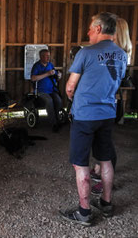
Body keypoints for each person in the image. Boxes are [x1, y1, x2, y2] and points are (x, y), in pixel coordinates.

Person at [60, 12, 127, 226]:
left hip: (85, 115)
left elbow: (70, 86)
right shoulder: (122, 55)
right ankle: (106, 204)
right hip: (107, 114)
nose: (88, 32)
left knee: (81, 164)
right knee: (105, 159)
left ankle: (84, 212)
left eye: (90, 28)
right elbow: (118, 81)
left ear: (98, 29)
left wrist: (73, 97)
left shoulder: (85, 53)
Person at [90, 17, 133, 195]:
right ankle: (100, 170)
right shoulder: (119, 52)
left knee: (107, 144)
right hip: (108, 102)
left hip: (108, 102)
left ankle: (107, 180)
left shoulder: (116, 53)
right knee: (102, 139)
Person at [31, 49, 63, 132]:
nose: (48, 57)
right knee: (49, 101)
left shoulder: (50, 65)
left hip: (52, 90)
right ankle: (54, 123)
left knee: (58, 101)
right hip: (41, 91)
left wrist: (59, 75)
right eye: (46, 56)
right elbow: (33, 78)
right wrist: (47, 74)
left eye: (49, 56)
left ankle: (57, 119)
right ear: (41, 57)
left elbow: (55, 75)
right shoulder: (37, 66)